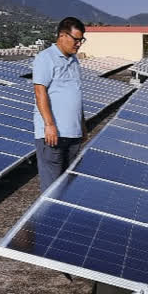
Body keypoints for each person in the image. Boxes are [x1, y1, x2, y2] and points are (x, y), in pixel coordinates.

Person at [32, 17, 88, 193]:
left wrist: (82, 125)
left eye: (81, 40)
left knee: (69, 187)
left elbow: (75, 93)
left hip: (73, 134)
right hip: (53, 135)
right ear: (63, 35)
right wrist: (49, 125)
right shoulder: (45, 58)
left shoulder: (74, 60)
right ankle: (47, 220)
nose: (79, 44)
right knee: (52, 188)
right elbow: (40, 92)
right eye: (76, 39)